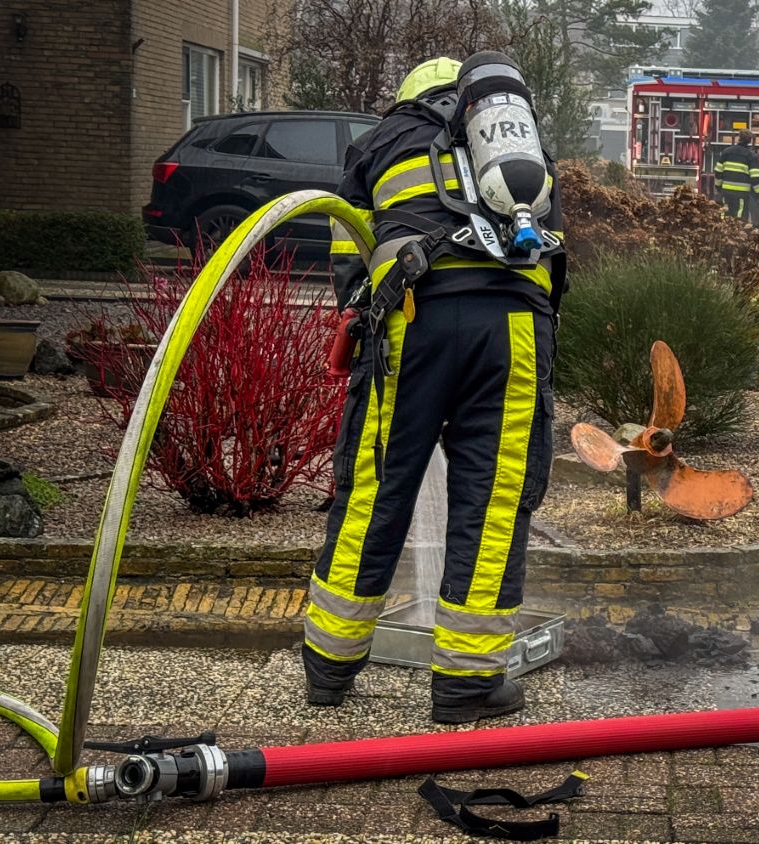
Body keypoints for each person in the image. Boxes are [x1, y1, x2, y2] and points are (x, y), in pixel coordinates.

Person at [305, 53, 566, 724]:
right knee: (493, 498)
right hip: (512, 329)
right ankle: (466, 685)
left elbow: (348, 256)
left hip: (410, 320)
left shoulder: (378, 143)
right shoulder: (519, 147)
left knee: (375, 487)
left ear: (408, 100)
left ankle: (329, 667)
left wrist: (361, 315)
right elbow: (553, 251)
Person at [715, 129, 759, 220]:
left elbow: (718, 171)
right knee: (739, 219)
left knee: (726, 216)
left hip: (726, 192)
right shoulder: (751, 156)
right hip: (741, 194)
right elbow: (755, 177)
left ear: (739, 137)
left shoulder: (726, 152)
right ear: (750, 140)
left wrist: (718, 187)